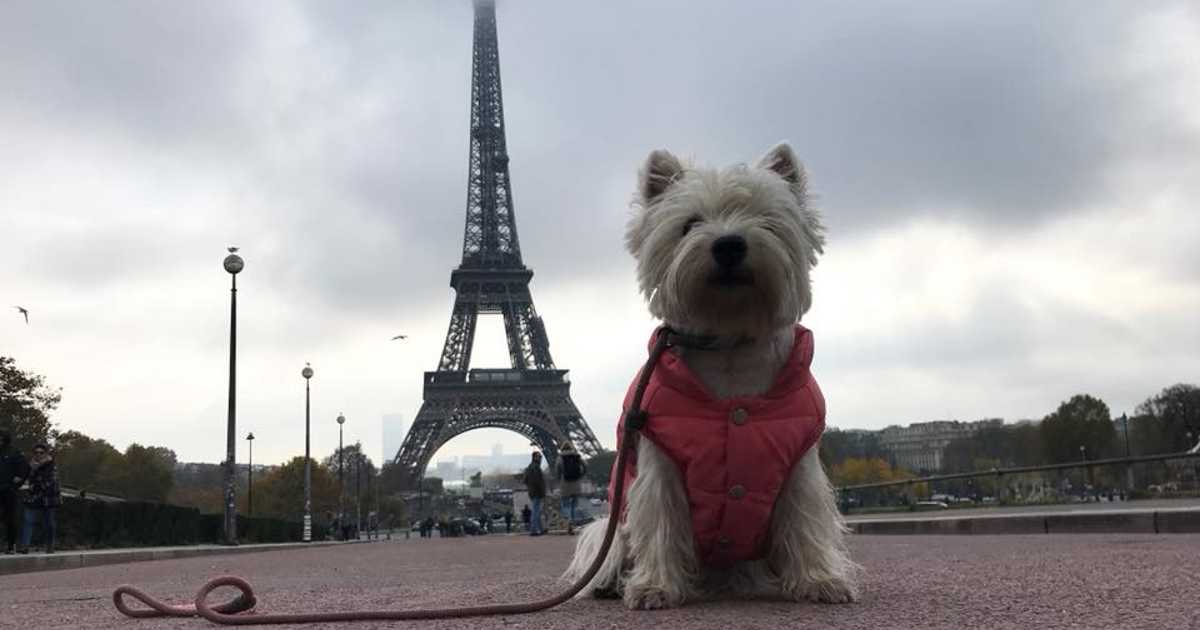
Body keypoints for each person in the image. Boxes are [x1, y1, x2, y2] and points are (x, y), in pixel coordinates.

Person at [20, 443, 61, 554]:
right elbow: (27, 479)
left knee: (49, 523)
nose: (38, 454)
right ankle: (25, 546)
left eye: (41, 452)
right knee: (28, 520)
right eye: (36, 452)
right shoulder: (31, 466)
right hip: (34, 497)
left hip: (48, 497)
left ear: (45, 453)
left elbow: (49, 482)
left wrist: (37, 480)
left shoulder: (51, 465)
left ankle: (50, 544)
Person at [0, 432, 30, 555]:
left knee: (10, 518)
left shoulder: (14, 453)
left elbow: (24, 469)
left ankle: (10, 545)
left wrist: (17, 482)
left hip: (9, 490)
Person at [556, 441, 587, 535]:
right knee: (574, 506)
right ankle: (572, 524)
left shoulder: (560, 458)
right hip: (576, 483)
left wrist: (559, 479)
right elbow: (585, 466)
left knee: (565, 505)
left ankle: (569, 520)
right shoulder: (577, 456)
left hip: (565, 484)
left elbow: (557, 470)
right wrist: (581, 475)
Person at [523, 451, 546, 536]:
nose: (540, 458)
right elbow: (538, 482)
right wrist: (542, 492)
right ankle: (533, 530)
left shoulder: (530, 467)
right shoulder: (536, 467)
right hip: (537, 492)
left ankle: (540, 529)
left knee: (537, 511)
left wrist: (530, 487)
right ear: (535, 457)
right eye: (539, 457)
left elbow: (525, 480)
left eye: (540, 457)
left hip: (532, 491)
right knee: (536, 512)